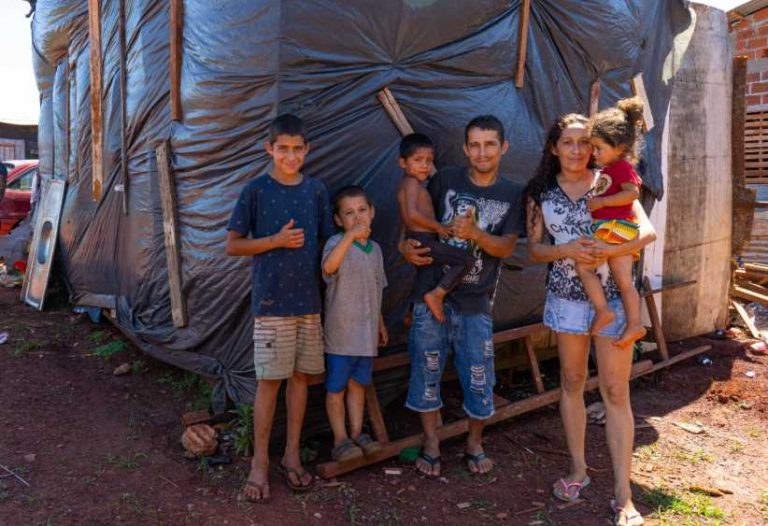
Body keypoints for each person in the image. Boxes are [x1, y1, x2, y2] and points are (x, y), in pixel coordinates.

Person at [524, 113, 656, 526]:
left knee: (616, 391)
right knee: (572, 381)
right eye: (568, 142)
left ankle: (623, 494)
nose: (578, 150)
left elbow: (646, 233)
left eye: (585, 142)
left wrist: (607, 251)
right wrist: (567, 250)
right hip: (567, 299)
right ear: (554, 147)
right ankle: (578, 470)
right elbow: (534, 250)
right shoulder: (540, 192)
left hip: (614, 297)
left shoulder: (610, 180)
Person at [399, 115, 524, 478]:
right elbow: (413, 218)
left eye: (490, 144)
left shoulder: (512, 193)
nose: (482, 152)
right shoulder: (445, 180)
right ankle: (431, 442)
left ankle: (474, 443)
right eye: (475, 145)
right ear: (466, 148)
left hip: (475, 301)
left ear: (503, 147)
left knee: (478, 375)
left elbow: (506, 248)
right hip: (429, 295)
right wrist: (403, 247)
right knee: (426, 370)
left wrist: (475, 234)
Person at [226, 113, 335, 502]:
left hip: (308, 303)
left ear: (307, 150)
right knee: (269, 382)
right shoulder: (256, 190)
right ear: (268, 149)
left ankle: (291, 454)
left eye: (297, 149)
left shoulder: (316, 191)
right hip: (271, 304)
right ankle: (259, 462)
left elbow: (327, 243)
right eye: (283, 149)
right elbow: (233, 244)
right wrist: (275, 241)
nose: (291, 156)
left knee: (301, 378)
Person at [322, 185, 388, 462]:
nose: (358, 217)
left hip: (366, 335)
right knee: (336, 387)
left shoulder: (376, 250)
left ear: (372, 212)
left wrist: (380, 323)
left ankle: (358, 433)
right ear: (338, 220)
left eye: (362, 210)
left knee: (358, 384)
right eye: (349, 213)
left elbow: (378, 288)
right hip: (341, 334)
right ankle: (340, 440)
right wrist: (349, 237)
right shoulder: (335, 244)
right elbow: (329, 268)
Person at [575, 97, 647, 347]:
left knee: (583, 266)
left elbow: (632, 194)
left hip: (614, 228)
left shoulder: (621, 168)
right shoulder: (610, 168)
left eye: (598, 148)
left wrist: (603, 203)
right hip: (616, 229)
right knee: (625, 282)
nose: (593, 153)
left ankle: (603, 310)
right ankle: (634, 324)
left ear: (619, 147)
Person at [397, 133, 473, 322]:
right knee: (465, 260)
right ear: (403, 163)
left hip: (419, 237)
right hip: (423, 239)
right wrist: (439, 227)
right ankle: (437, 295)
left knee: (428, 273)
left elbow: (406, 216)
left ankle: (412, 311)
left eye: (429, 160)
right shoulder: (411, 183)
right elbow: (412, 214)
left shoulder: (409, 184)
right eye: (418, 160)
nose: (425, 165)